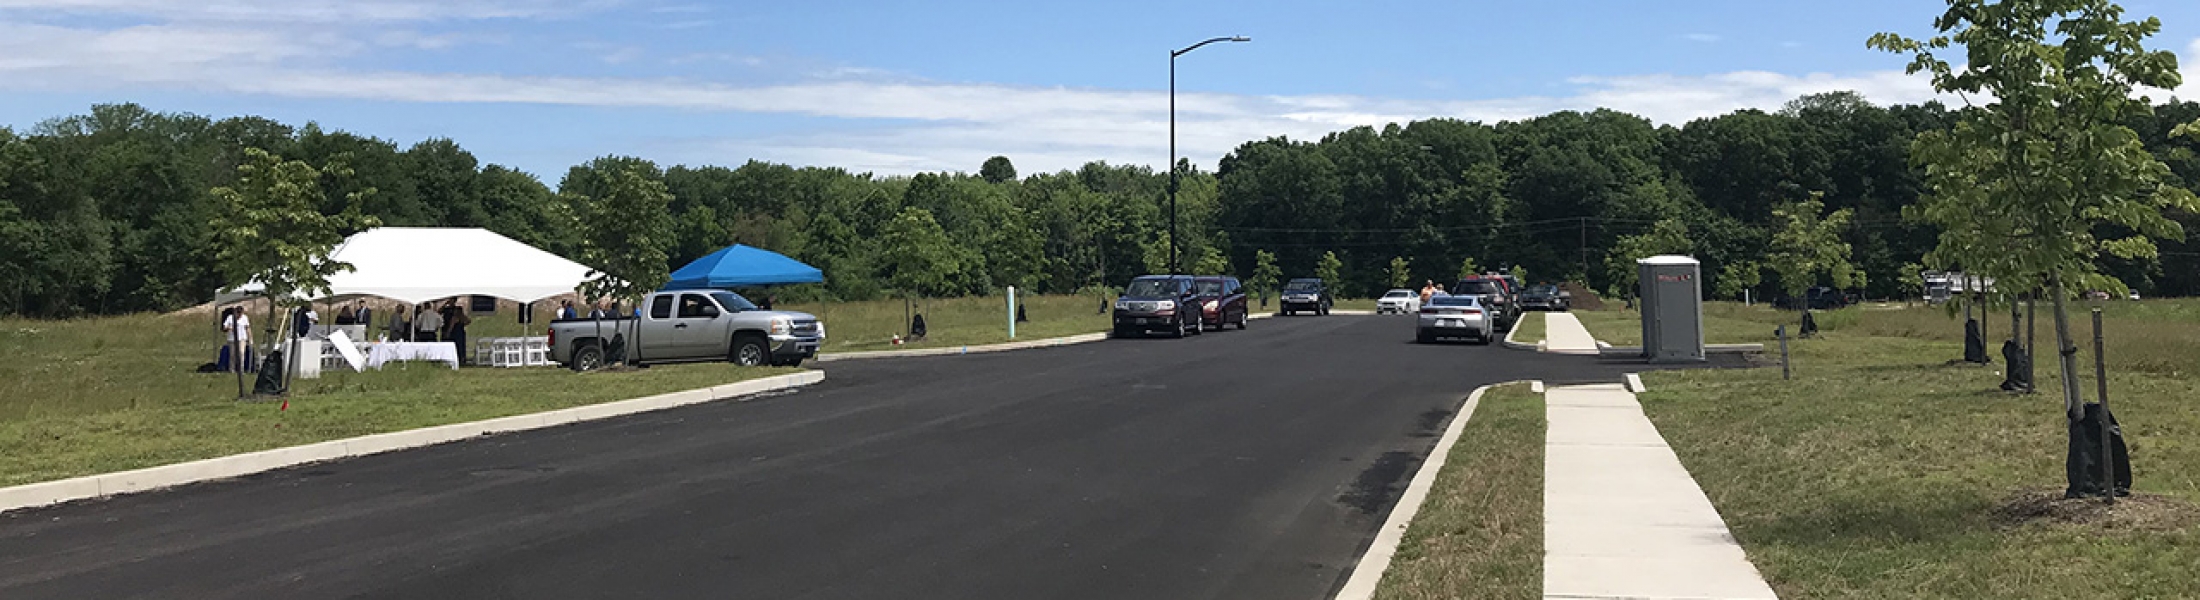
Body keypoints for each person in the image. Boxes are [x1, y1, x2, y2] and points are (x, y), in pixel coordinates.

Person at [221, 307, 254, 373]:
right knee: (232, 354)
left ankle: (241, 369)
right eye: (238, 313)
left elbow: (247, 328)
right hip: (232, 339)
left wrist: (250, 338)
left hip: (242, 338)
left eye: (240, 314)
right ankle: (232, 369)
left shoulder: (245, 318)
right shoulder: (230, 317)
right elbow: (224, 327)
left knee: (241, 353)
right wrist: (230, 328)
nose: (239, 315)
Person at [441, 300, 472, 365]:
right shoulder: (446, 310)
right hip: (451, 331)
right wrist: (445, 304)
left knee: (458, 346)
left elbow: (467, 321)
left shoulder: (458, 311)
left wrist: (448, 332)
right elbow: (439, 312)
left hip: (457, 332)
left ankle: (461, 359)